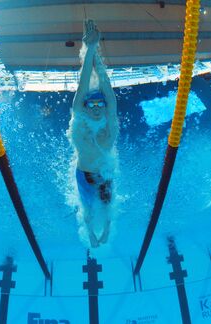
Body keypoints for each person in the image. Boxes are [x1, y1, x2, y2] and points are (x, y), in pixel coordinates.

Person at [68, 20, 118, 247]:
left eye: (101, 103)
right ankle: (90, 233)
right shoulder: (80, 117)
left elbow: (106, 86)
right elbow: (83, 84)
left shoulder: (110, 119)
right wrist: (89, 49)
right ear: (85, 106)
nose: (97, 107)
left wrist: (95, 48)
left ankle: (106, 230)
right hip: (84, 174)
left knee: (108, 205)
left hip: (105, 173)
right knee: (87, 209)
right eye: (92, 104)